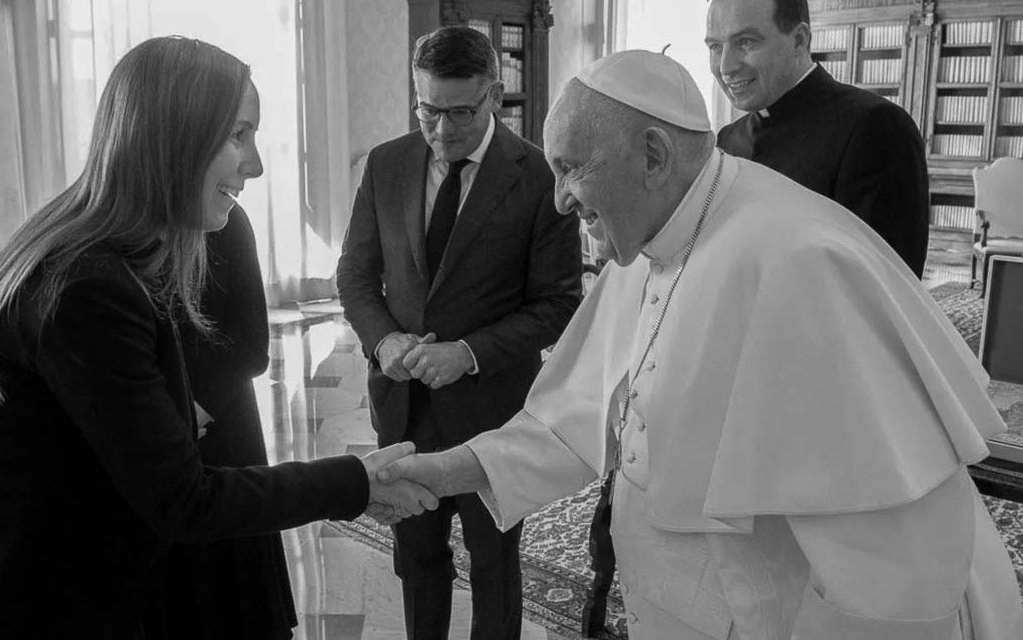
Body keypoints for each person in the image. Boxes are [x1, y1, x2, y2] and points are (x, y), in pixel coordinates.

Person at [378, 50, 1023, 639]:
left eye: (572, 169)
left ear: (654, 156)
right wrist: (449, 468)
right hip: (668, 605)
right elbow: (572, 421)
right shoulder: (646, 237)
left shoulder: (799, 260)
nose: (559, 198)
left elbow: (876, 558)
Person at [0, 36, 436, 640]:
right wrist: (354, 480)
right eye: (239, 134)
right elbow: (185, 499)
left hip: (40, 556)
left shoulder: (111, 247)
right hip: (9, 583)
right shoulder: (87, 284)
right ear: (174, 136)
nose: (256, 164)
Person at [335, 25, 583, 640]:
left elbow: (558, 302)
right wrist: (385, 341)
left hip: (491, 412)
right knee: (417, 558)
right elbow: (356, 274)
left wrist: (469, 354)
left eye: (460, 113)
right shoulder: (386, 164)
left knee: (494, 561)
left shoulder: (536, 176)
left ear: (495, 95)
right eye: (427, 111)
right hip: (404, 411)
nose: (442, 129)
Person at [143, 204, 299, 640]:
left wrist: (192, 414)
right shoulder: (118, 228)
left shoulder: (228, 220)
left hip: (223, 426)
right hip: (150, 433)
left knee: (236, 595)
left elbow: (250, 346)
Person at [709, 0, 930, 278]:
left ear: (799, 40)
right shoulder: (728, 139)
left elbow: (889, 287)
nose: (726, 66)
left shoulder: (876, 126)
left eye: (746, 42)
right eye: (715, 47)